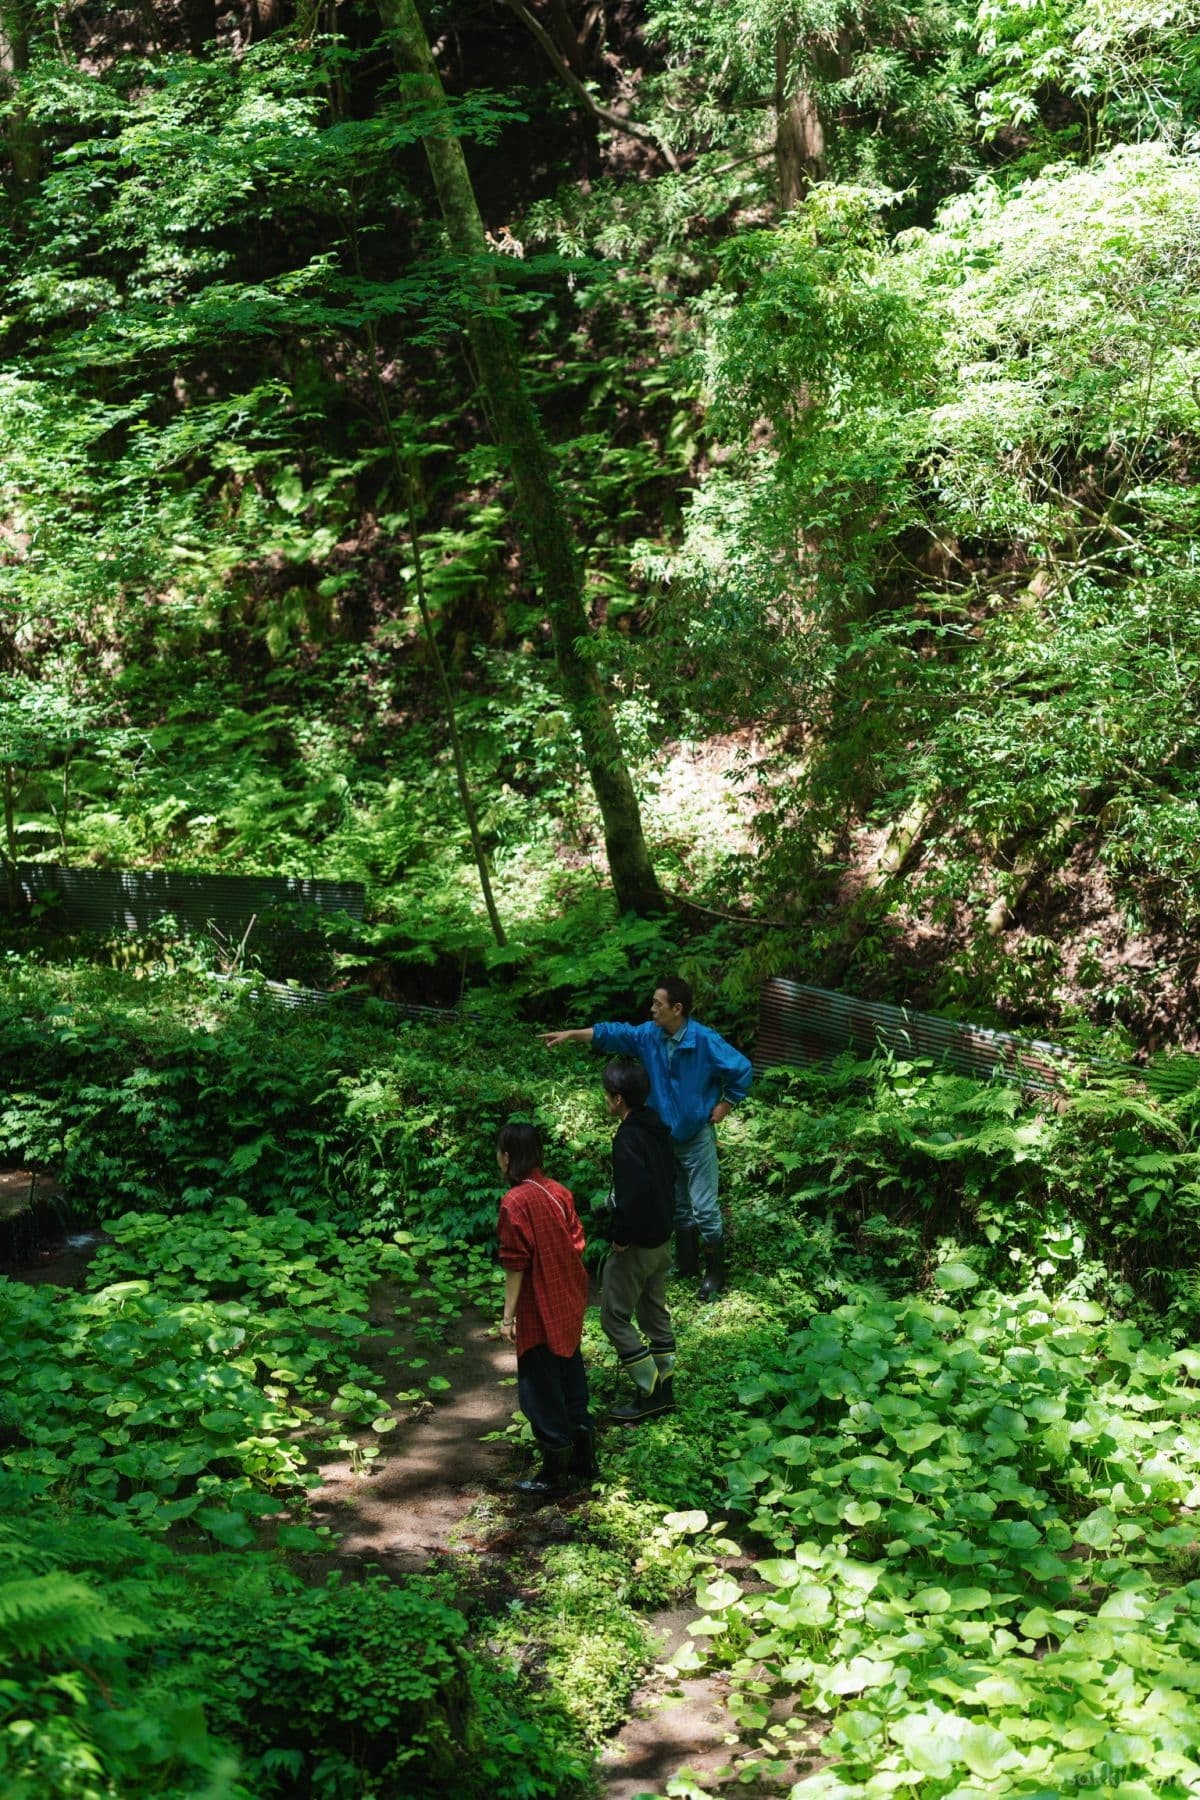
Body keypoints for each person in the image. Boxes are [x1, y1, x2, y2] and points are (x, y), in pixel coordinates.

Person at [544, 977, 752, 1300]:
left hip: (696, 1135)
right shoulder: (649, 1036)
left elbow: (742, 1069)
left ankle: (714, 1274)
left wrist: (726, 1103)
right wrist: (573, 1035)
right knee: (680, 1205)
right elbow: (615, 1033)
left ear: (677, 1009)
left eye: (658, 1004)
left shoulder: (704, 1041)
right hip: (665, 1138)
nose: (652, 1009)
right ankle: (685, 1266)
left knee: (705, 1208)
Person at [496, 1119, 596, 1495]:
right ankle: (584, 1461)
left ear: (508, 1157)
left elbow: (515, 1263)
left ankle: (555, 1475)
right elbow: (577, 1243)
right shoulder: (559, 1192)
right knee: (570, 1375)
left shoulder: (514, 1201)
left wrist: (508, 1317)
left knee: (538, 1388)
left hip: (539, 1307)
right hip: (567, 1299)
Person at [599, 1057, 677, 1422]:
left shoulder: (628, 1137)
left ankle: (649, 1392)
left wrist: (620, 1237)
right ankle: (667, 1387)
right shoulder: (657, 1126)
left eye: (607, 1095)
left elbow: (633, 1194)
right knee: (653, 1313)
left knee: (614, 1317)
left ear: (617, 1099)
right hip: (662, 1240)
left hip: (638, 1245)